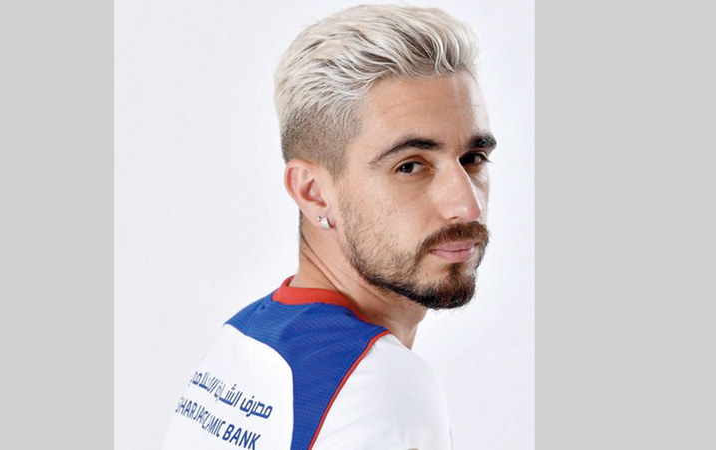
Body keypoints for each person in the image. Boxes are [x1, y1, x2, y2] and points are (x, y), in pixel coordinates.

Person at [162, 4, 496, 449]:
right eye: (410, 166)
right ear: (313, 192)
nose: (467, 207)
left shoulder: (244, 339)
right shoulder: (382, 387)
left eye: (473, 158)